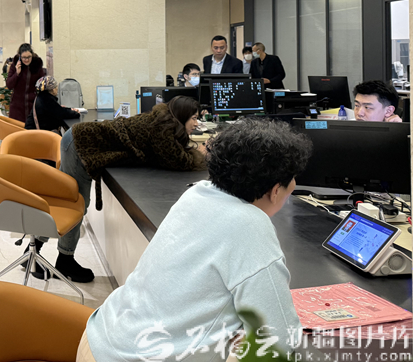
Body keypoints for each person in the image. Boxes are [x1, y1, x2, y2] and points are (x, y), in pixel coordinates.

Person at [80, 120, 310, 362]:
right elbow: (280, 338)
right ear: (276, 190)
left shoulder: (197, 193)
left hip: (101, 337)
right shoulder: (250, 224)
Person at [34, 96, 206, 283]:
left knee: (67, 202)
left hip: (77, 140)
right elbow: (179, 161)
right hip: (79, 144)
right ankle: (62, 261)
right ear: (181, 116)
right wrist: (201, 153)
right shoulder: (162, 129)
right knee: (74, 204)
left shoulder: (162, 122)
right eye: (194, 118)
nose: (197, 123)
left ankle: (36, 252)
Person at [5, 44, 46, 123]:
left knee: (31, 129)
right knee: (17, 129)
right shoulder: (15, 65)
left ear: (32, 55)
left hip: (33, 106)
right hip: (17, 106)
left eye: (29, 57)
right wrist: (17, 73)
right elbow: (9, 85)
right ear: (19, 56)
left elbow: (43, 84)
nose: (26, 60)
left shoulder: (37, 65)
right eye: (24, 57)